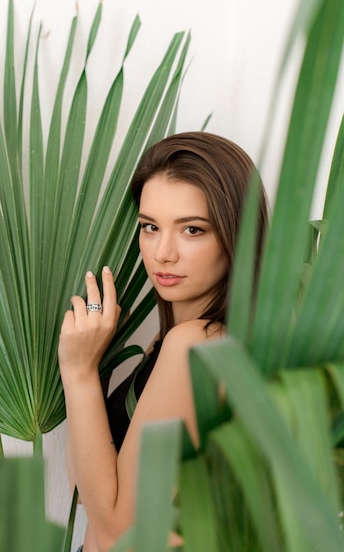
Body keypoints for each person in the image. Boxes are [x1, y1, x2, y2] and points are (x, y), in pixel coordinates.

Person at [58, 131, 268, 552]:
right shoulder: (175, 340)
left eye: (192, 229)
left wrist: (79, 373)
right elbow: (88, 491)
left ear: (237, 237)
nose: (163, 253)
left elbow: (121, 536)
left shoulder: (198, 345)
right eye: (150, 227)